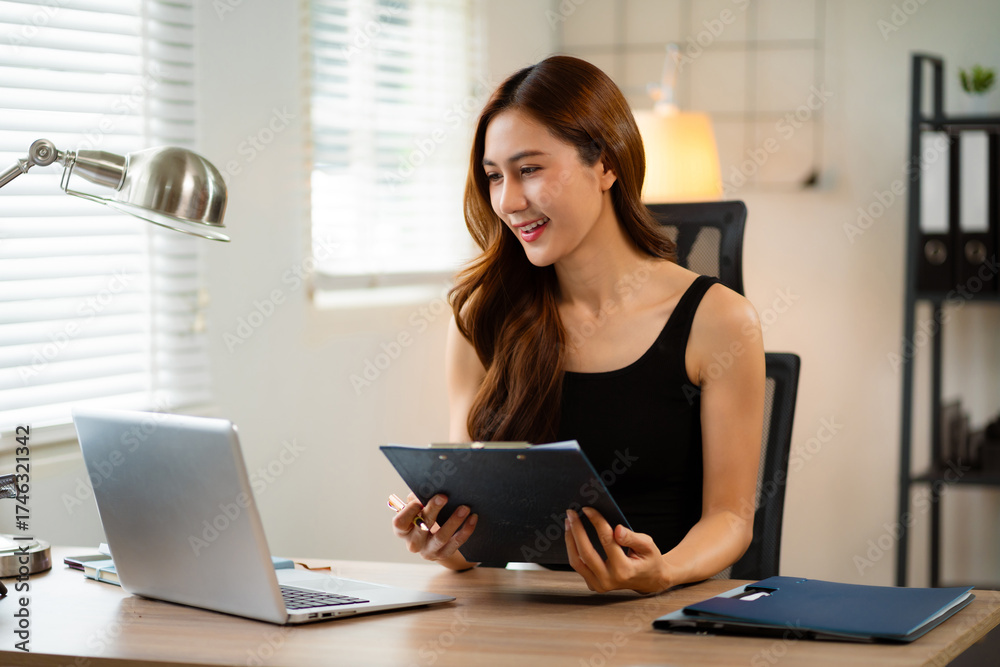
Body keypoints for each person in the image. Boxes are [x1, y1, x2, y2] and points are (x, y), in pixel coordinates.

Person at [391, 55, 765, 594]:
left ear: (607, 165)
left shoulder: (721, 320)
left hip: (659, 618)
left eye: (530, 170)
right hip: (523, 618)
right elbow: (472, 520)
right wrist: (445, 545)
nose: (508, 201)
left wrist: (661, 572)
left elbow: (730, 520)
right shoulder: (482, 314)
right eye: (494, 177)